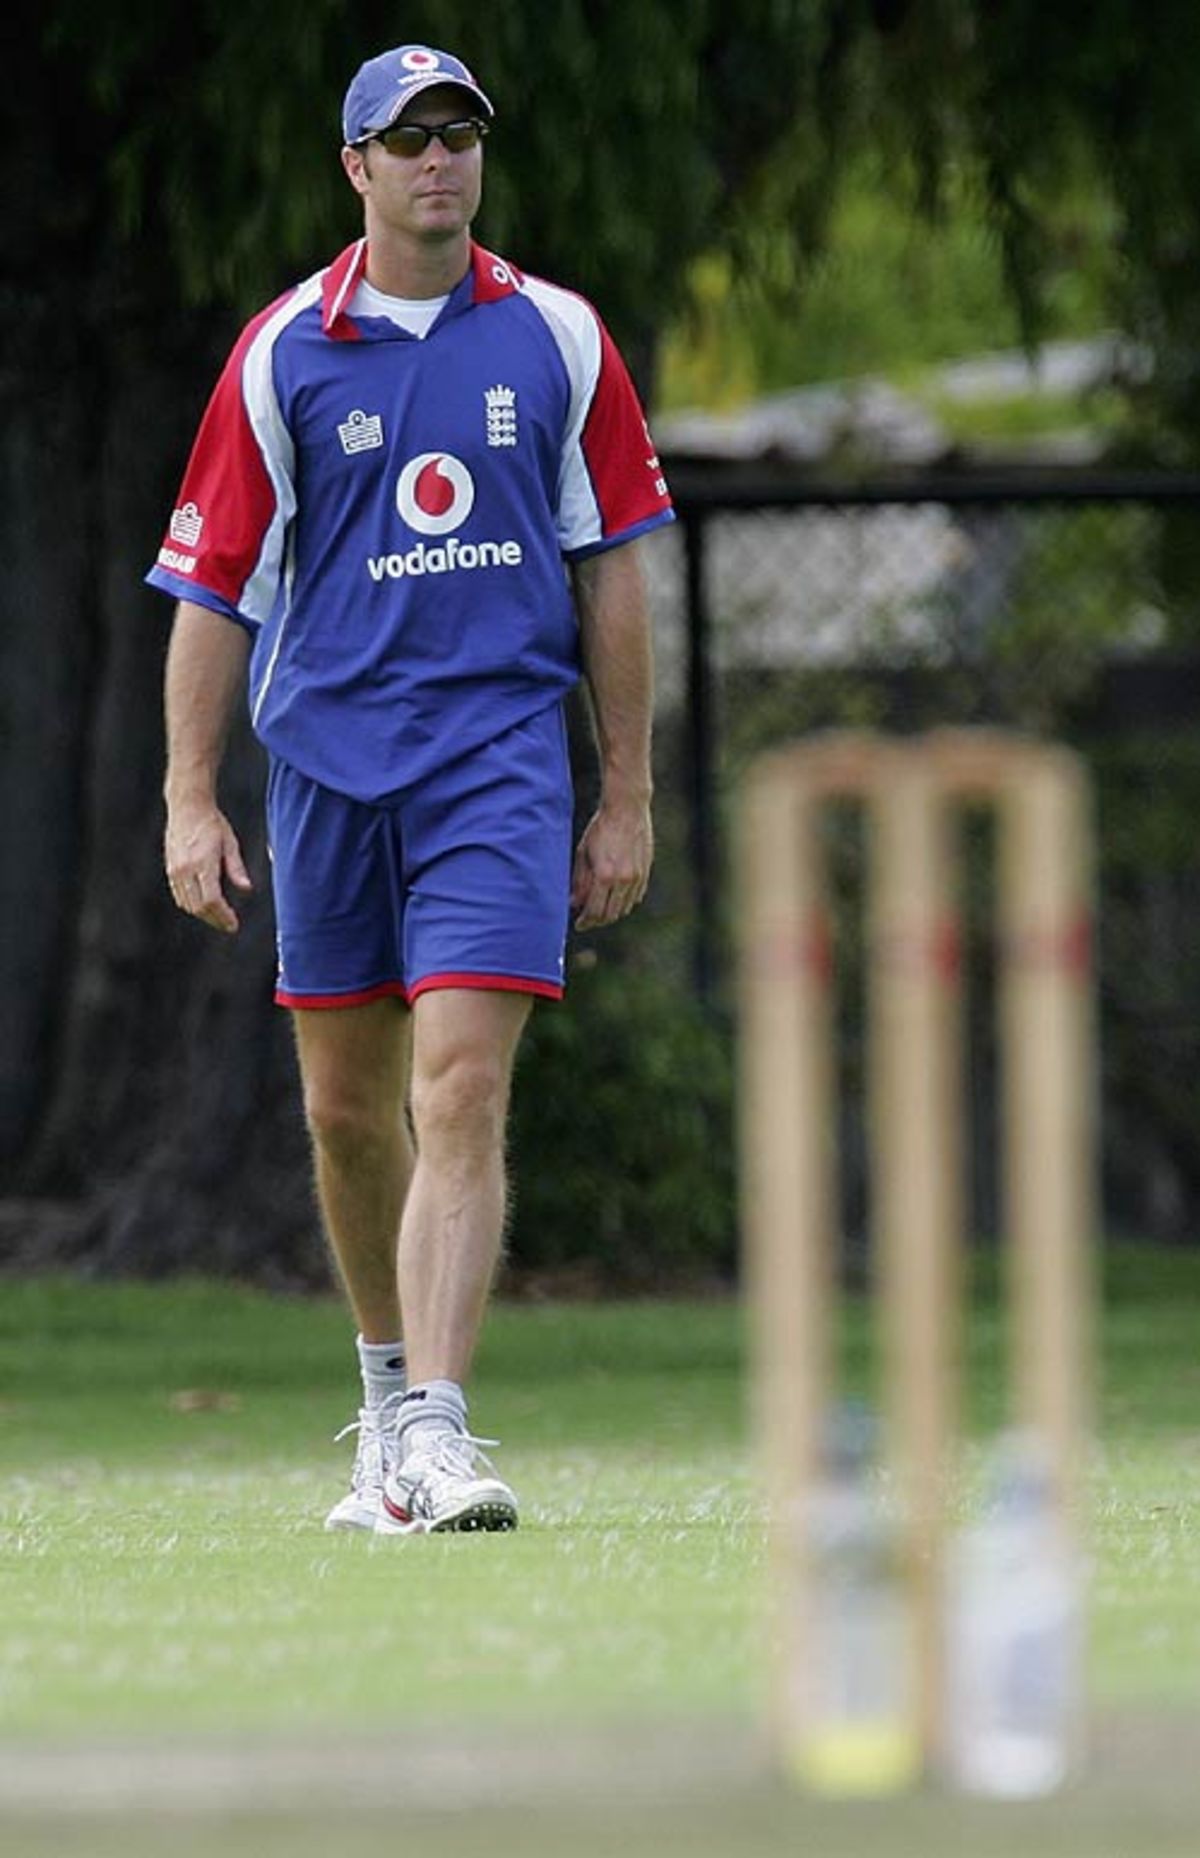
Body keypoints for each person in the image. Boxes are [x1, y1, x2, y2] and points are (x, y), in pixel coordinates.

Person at [146, 44, 674, 1536]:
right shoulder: (281, 354)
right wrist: (191, 796)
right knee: (345, 1115)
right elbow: (213, 586)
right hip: (326, 772)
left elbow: (613, 568)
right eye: (408, 136)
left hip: (497, 766)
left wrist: (624, 791)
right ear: (357, 168)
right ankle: (384, 1401)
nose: (439, 157)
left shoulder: (559, 336)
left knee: (461, 1085)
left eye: (460, 133)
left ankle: (438, 1426)